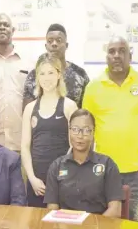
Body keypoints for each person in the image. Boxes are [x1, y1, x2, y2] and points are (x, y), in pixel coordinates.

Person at [83, 36, 138, 224]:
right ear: (106, 57)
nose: (117, 55)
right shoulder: (93, 88)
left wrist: (131, 134)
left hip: (136, 172)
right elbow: (86, 127)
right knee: (104, 223)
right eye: (112, 51)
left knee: (137, 223)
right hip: (103, 172)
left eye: (122, 51)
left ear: (130, 55)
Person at [44, 109, 123, 218]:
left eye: (86, 130)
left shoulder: (107, 164)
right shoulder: (56, 166)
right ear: (69, 131)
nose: (80, 136)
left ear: (93, 132)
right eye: (75, 129)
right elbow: (52, 210)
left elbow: (115, 210)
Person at [21, 55, 78, 207]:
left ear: (59, 74)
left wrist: (61, 175)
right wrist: (32, 178)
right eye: (42, 73)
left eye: (51, 73)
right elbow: (25, 147)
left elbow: (75, 145)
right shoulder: (30, 108)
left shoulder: (69, 106)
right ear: (37, 77)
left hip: (63, 178)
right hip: (37, 182)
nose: (47, 78)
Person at [0, 13, 34, 153]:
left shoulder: (28, 63)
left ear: (13, 30)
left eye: (6, 25)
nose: (2, 28)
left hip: (22, 144)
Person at [22, 24, 89, 112]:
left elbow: (86, 112)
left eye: (59, 40)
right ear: (46, 46)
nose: (54, 44)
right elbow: (28, 112)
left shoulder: (80, 74)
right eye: (50, 41)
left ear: (66, 45)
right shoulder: (34, 75)